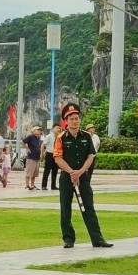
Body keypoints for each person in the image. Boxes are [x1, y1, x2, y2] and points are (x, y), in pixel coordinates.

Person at [54, 103, 113, 250]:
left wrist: (79, 172)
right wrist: (71, 172)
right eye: (72, 119)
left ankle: (97, 239)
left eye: (77, 118)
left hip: (83, 177)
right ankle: (68, 239)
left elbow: (90, 156)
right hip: (67, 178)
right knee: (65, 209)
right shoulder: (61, 138)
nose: (75, 121)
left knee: (88, 207)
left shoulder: (87, 136)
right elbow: (58, 158)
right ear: (66, 121)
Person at [22, 126, 43, 191]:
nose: (39, 131)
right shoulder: (30, 137)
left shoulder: (38, 138)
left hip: (36, 157)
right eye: (37, 130)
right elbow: (22, 142)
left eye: (40, 130)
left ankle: (32, 185)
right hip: (31, 157)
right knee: (29, 172)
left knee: (34, 173)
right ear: (33, 131)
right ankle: (27, 185)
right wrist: (27, 148)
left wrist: (41, 154)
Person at [41, 123, 61, 190]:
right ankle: (44, 185)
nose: (58, 129)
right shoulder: (49, 136)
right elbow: (43, 145)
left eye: (59, 128)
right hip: (49, 154)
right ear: (53, 129)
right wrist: (42, 154)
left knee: (55, 171)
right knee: (47, 170)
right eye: (57, 128)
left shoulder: (60, 137)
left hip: (56, 155)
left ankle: (53, 186)